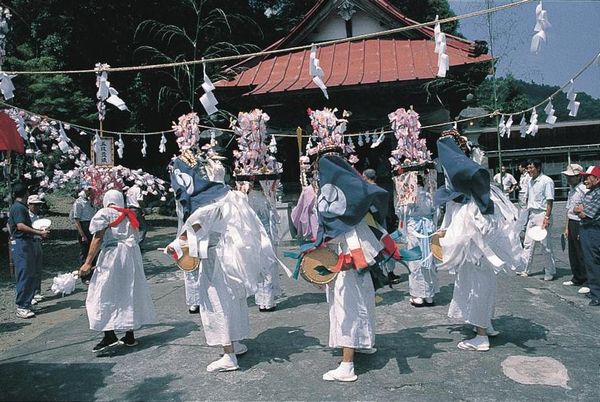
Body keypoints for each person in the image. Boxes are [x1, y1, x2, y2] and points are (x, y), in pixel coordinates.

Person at [168, 152, 285, 372]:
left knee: (216, 303)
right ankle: (236, 341)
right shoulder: (227, 196)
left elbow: (193, 230)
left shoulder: (206, 205)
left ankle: (228, 354)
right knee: (233, 301)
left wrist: (174, 246)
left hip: (216, 260)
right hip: (229, 257)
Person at [435, 134, 524, 352]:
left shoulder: (467, 185)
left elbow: (458, 208)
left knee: (476, 282)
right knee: (481, 281)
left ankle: (481, 335)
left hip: (475, 231)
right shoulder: (478, 187)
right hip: (481, 228)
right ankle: (485, 323)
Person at [78, 190, 156, 353]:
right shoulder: (130, 214)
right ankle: (129, 334)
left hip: (113, 256)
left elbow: (98, 238)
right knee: (128, 291)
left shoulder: (105, 213)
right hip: (130, 258)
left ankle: (109, 334)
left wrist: (87, 262)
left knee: (103, 292)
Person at [8, 184, 49, 319]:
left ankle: (27, 302)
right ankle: (21, 306)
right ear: (25, 194)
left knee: (30, 272)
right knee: (24, 273)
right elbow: (20, 226)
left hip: (26, 243)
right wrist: (39, 232)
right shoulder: (19, 208)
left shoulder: (19, 207)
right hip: (21, 243)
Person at [519, 159, 556, 281]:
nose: (529, 170)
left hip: (542, 214)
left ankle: (549, 271)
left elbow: (549, 201)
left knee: (545, 245)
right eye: (528, 168)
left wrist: (547, 218)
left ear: (538, 168)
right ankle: (525, 269)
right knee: (528, 243)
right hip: (532, 214)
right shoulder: (530, 181)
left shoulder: (547, 181)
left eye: (531, 168)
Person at [247, 181, 281, 312]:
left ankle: (263, 300)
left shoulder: (250, 199)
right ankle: (267, 300)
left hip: (257, 237)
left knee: (261, 266)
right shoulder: (263, 199)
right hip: (264, 236)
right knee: (268, 266)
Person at [406, 175, 438, 307]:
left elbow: (402, 213)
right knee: (428, 259)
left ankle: (418, 295)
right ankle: (429, 295)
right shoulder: (430, 195)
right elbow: (436, 213)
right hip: (428, 228)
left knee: (415, 261)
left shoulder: (409, 196)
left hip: (414, 228)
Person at [574, 166, 600, 306]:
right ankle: (594, 289)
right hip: (586, 229)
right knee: (589, 261)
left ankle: (597, 294)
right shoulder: (589, 193)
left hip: (593, 230)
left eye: (588, 177)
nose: (585, 180)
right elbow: (575, 207)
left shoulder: (598, 193)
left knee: (593, 262)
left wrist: (580, 210)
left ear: (597, 179)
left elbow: (586, 214)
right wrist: (580, 210)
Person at [561, 164, 589, 294]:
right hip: (572, 221)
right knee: (573, 252)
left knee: (582, 252)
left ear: (578, 177)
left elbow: (587, 208)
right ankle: (577, 277)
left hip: (580, 222)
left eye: (571, 177)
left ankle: (586, 280)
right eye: (567, 177)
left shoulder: (584, 190)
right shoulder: (571, 190)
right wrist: (566, 227)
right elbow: (568, 209)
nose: (568, 179)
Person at [27, 194, 46, 305]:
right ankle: (30, 293)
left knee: (37, 268)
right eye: (35, 205)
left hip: (37, 242)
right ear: (29, 205)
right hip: (30, 243)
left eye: (38, 205)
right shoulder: (26, 216)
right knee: (30, 269)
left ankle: (36, 291)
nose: (37, 207)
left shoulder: (38, 217)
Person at [72, 185, 96, 266]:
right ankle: (84, 272)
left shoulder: (90, 202)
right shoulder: (78, 202)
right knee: (85, 251)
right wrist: (82, 235)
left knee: (92, 249)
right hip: (84, 226)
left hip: (91, 225)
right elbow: (76, 220)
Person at [516, 162, 530, 232]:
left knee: (525, 209)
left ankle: (524, 224)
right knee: (521, 209)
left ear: (524, 168)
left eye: (520, 167)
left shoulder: (528, 176)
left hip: (525, 193)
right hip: (521, 192)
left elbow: (528, 186)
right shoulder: (522, 176)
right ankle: (522, 222)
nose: (519, 169)